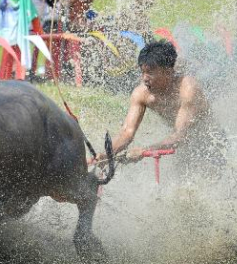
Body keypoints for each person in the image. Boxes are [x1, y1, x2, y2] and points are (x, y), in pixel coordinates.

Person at [95, 41, 225, 174]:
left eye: (150, 72)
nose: (145, 78)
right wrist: (108, 155)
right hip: (181, 146)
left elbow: (180, 135)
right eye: (142, 72)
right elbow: (127, 133)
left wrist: (146, 150)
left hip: (211, 142)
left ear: (168, 71)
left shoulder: (188, 89)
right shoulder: (141, 94)